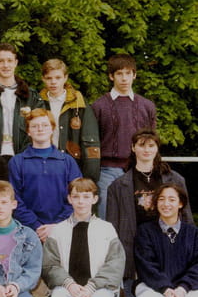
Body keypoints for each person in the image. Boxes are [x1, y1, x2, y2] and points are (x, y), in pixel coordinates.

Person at [106, 129, 191, 297]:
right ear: (133, 148)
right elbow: (112, 227)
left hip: (170, 249)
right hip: (134, 251)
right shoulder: (118, 185)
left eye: (151, 145)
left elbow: (187, 220)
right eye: (141, 145)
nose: (146, 150)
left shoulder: (175, 179)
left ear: (157, 149)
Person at [92, 53, 157, 217]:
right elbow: (92, 143)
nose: (124, 78)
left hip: (139, 170)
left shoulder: (147, 106)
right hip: (107, 171)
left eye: (128, 73)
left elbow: (153, 142)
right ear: (111, 76)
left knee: (140, 217)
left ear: (134, 75)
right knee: (107, 217)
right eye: (119, 73)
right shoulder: (98, 106)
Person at [8, 108, 82, 243]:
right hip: (28, 231)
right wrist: (36, 226)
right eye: (34, 126)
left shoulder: (67, 161)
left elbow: (78, 196)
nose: (40, 129)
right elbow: (14, 198)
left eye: (45, 125)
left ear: (52, 129)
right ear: (28, 131)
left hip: (63, 229)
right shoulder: (17, 162)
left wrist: (56, 226)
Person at [0, 43, 44, 158]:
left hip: (25, 157)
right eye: (1, 61)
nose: (6, 65)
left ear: (16, 63)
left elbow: (39, 126)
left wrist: (24, 155)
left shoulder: (32, 96)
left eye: (10, 61)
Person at [39, 59, 101, 181]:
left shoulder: (79, 103)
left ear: (65, 78)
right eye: (49, 78)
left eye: (58, 77)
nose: (53, 82)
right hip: (43, 164)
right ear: (43, 79)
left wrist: (90, 178)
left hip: (71, 165)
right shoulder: (38, 102)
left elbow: (90, 142)